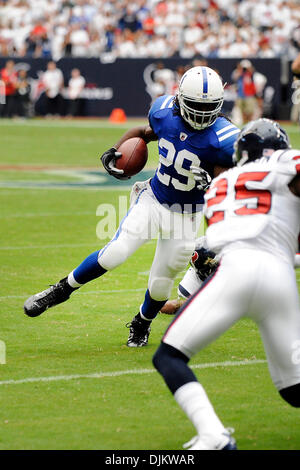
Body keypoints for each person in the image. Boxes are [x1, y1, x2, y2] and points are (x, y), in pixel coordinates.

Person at [23, 66, 240, 348]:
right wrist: (115, 149)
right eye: (195, 106)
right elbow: (142, 132)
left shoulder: (226, 138)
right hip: (154, 198)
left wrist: (215, 182)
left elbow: (237, 179)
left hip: (187, 214)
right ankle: (61, 289)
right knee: (116, 252)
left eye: (206, 107)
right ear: (180, 99)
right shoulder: (164, 112)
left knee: (161, 284)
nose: (200, 113)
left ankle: (141, 322)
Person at [153, 118, 300, 450]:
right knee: (294, 390)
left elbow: (220, 241)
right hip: (278, 276)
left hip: (233, 272)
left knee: (169, 357)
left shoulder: (219, 185)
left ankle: (213, 435)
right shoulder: (285, 162)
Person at [232, 60, 258, 124]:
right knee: (241, 111)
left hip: (249, 95)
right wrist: (240, 69)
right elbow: (234, 77)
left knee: (249, 111)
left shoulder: (251, 74)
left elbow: (252, 74)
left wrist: (248, 70)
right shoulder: (238, 72)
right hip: (240, 95)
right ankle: (244, 123)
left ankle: (249, 123)